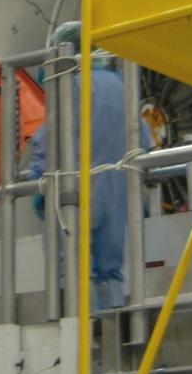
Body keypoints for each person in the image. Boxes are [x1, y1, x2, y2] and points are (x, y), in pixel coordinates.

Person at [29, 22, 143, 313]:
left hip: (76, 190)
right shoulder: (122, 84)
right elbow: (143, 141)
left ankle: (78, 333)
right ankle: (111, 322)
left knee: (70, 267)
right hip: (119, 193)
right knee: (109, 269)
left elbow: (51, 139)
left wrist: (39, 183)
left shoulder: (71, 85)